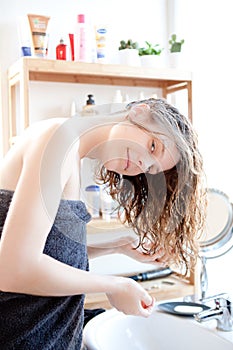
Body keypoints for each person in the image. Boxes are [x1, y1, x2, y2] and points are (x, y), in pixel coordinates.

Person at [0, 98, 206, 349]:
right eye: (153, 146)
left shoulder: (69, 149)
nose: (143, 164)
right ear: (140, 112)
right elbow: (13, 269)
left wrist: (115, 246)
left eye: (151, 168)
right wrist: (114, 284)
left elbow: (42, 252)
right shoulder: (58, 141)